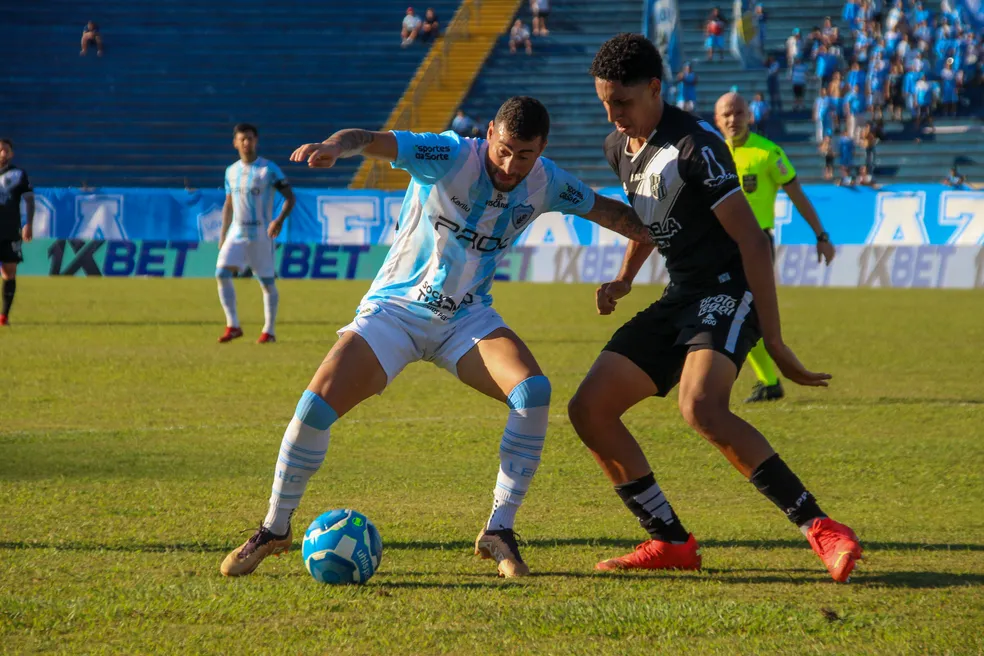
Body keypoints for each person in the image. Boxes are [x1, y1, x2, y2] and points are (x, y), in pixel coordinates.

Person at [219, 96, 655, 579]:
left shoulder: (547, 181)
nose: (510, 165)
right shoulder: (447, 154)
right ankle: (275, 528)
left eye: (524, 155)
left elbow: (615, 215)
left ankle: (499, 530)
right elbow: (368, 140)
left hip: (466, 320)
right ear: (490, 133)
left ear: (541, 149)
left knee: (533, 393)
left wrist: (655, 248)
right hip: (395, 314)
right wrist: (333, 147)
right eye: (504, 150)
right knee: (314, 408)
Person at [570, 34, 861, 583]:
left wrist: (773, 341)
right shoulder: (619, 146)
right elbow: (651, 218)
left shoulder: (696, 146)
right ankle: (671, 541)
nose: (613, 115)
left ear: (655, 88)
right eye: (604, 102)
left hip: (731, 287)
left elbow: (753, 242)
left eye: (623, 102)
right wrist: (624, 278)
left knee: (700, 406)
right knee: (589, 408)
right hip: (680, 294)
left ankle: (822, 528)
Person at [715, 91, 835, 402]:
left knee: (743, 314)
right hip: (719, 244)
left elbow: (797, 194)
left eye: (738, 112)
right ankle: (766, 381)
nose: (732, 119)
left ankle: (768, 380)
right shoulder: (713, 155)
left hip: (756, 243)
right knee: (733, 314)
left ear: (749, 116)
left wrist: (821, 235)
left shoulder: (768, 153)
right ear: (717, 120)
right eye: (726, 114)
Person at [216, 124, 295, 344]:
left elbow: (290, 197)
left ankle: (268, 331)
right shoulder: (230, 171)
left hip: (261, 234)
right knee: (221, 273)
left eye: (250, 139)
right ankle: (233, 325)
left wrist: (278, 221)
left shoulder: (268, 169)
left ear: (256, 141)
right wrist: (223, 235)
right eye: (242, 139)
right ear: (235, 143)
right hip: (237, 233)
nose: (246, 143)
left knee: (267, 282)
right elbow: (229, 203)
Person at [0, 139, 35, 327]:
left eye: (5, 150)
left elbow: (29, 200)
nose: (2, 153)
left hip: (10, 230)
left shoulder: (18, 174)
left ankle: (3, 316)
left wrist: (28, 224)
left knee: (9, 272)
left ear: (11, 154)